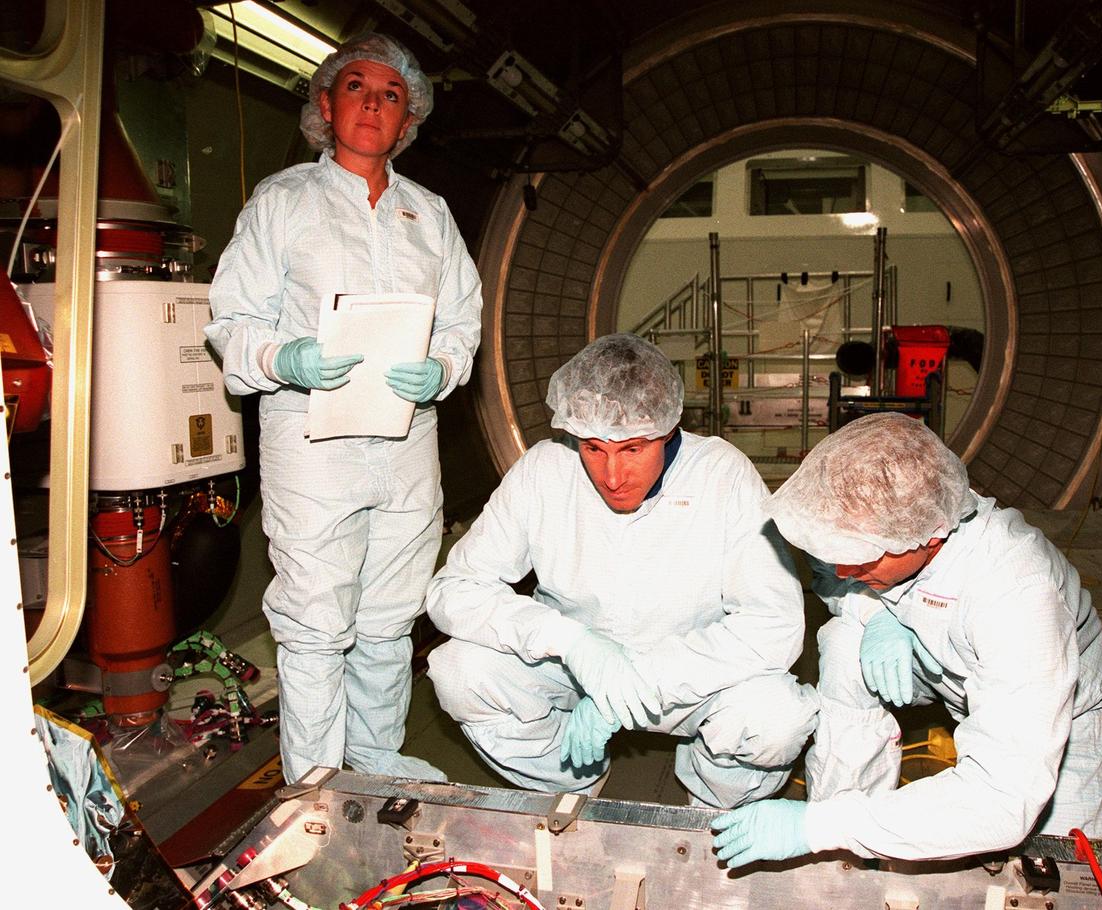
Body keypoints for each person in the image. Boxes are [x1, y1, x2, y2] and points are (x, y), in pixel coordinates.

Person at [204, 33, 481, 784]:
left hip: (407, 440)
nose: (373, 104)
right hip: (312, 442)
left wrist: (444, 367)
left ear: (408, 119)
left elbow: (462, 319)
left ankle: (376, 771)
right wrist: (283, 358)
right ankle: (316, 791)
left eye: (392, 94)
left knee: (389, 620)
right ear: (325, 106)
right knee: (316, 622)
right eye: (356, 87)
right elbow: (232, 319)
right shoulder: (284, 202)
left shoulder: (430, 214)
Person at [424, 334, 818, 807]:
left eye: (632, 449)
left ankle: (712, 798)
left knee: (777, 718)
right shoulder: (544, 471)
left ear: (668, 430)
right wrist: (569, 642)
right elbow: (454, 589)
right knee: (459, 670)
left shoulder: (721, 475)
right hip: (571, 670)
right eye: (593, 448)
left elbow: (773, 623)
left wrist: (644, 678)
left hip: (689, 678)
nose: (612, 476)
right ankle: (570, 778)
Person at [711, 413, 1102, 865]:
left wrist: (817, 827)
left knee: (1068, 870)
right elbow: (833, 581)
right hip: (931, 657)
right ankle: (844, 830)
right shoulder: (869, 524)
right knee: (845, 645)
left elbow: (1002, 797)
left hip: (1053, 704)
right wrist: (875, 613)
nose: (844, 570)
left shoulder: (1017, 593)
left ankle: (840, 824)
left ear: (927, 536)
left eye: (861, 559)